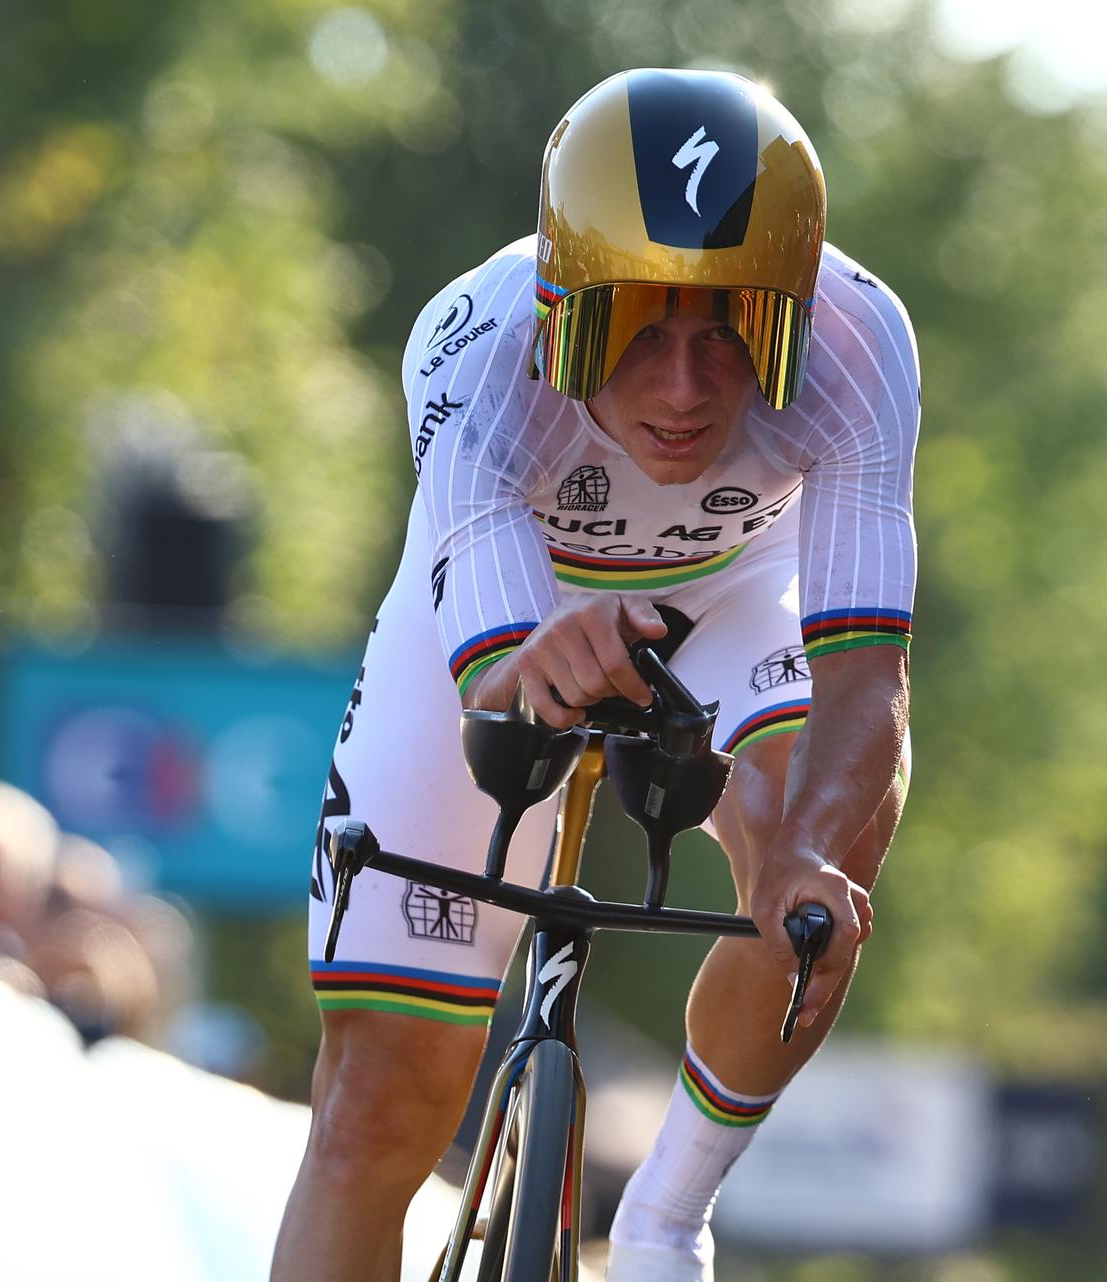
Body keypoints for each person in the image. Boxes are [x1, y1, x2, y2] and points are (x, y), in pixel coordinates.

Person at [270, 67, 919, 1282]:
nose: (684, 390)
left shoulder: (858, 342)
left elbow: (866, 674)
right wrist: (531, 662)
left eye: (732, 333)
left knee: (810, 852)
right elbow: (495, 684)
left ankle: (668, 1219)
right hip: (515, 595)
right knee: (374, 1109)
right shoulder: (483, 357)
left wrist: (814, 859)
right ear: (566, 311)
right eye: (640, 331)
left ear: (791, 312)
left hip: (735, 586)